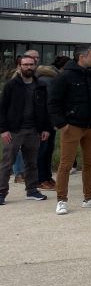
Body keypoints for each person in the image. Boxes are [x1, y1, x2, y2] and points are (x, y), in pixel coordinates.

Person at [48, 46, 91, 214]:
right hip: (72, 126)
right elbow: (53, 101)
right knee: (65, 165)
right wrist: (61, 123)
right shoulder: (65, 76)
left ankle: (89, 197)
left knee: (90, 163)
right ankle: (61, 200)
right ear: (82, 57)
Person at [0, 54, 52, 204]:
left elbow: (46, 108)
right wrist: (3, 130)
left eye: (31, 64)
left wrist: (46, 128)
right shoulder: (11, 85)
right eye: (25, 65)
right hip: (14, 131)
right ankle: (2, 192)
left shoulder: (41, 85)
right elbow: (2, 108)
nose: (28, 67)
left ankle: (32, 190)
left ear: (35, 65)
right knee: (7, 163)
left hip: (34, 130)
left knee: (32, 162)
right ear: (19, 67)